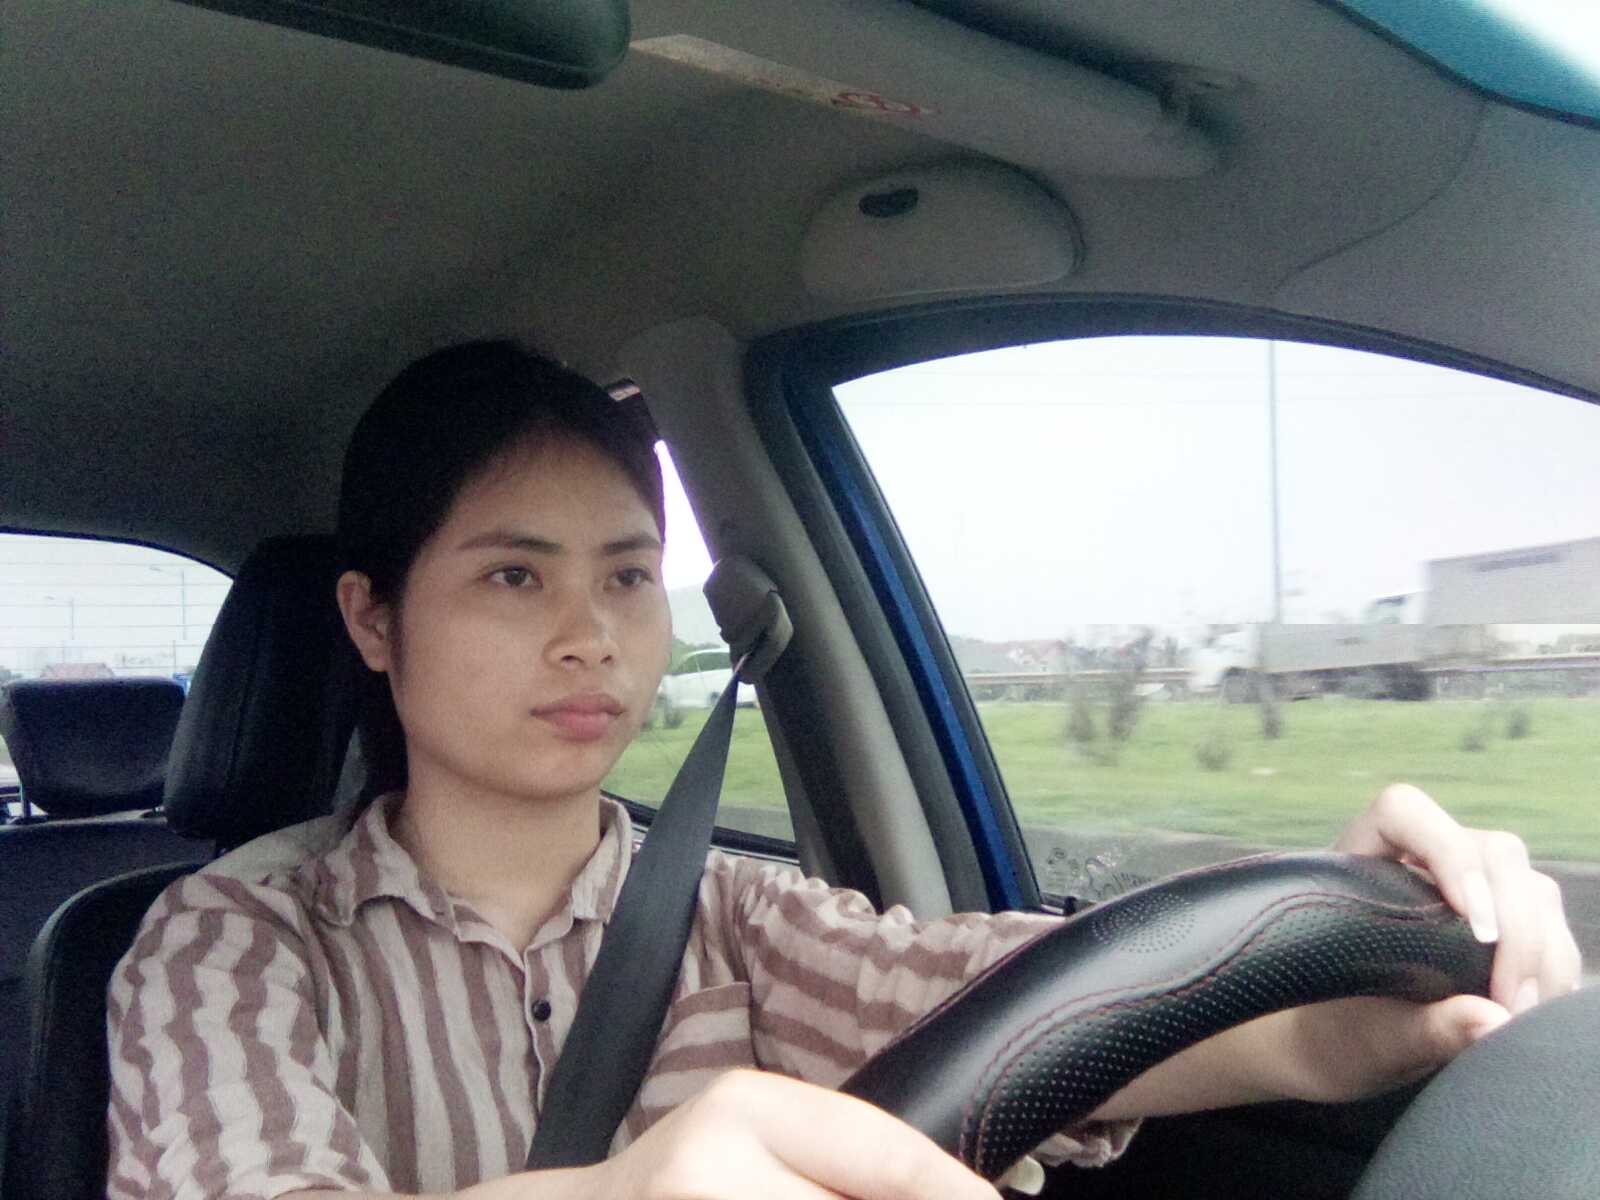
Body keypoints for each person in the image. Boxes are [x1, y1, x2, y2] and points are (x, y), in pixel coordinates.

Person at [106, 341, 1581, 1200]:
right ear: (374, 620)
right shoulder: (230, 943)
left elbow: (1016, 1003)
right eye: (513, 576)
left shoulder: (734, 918)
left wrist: (1328, 990)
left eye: (627, 578)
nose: (591, 636)